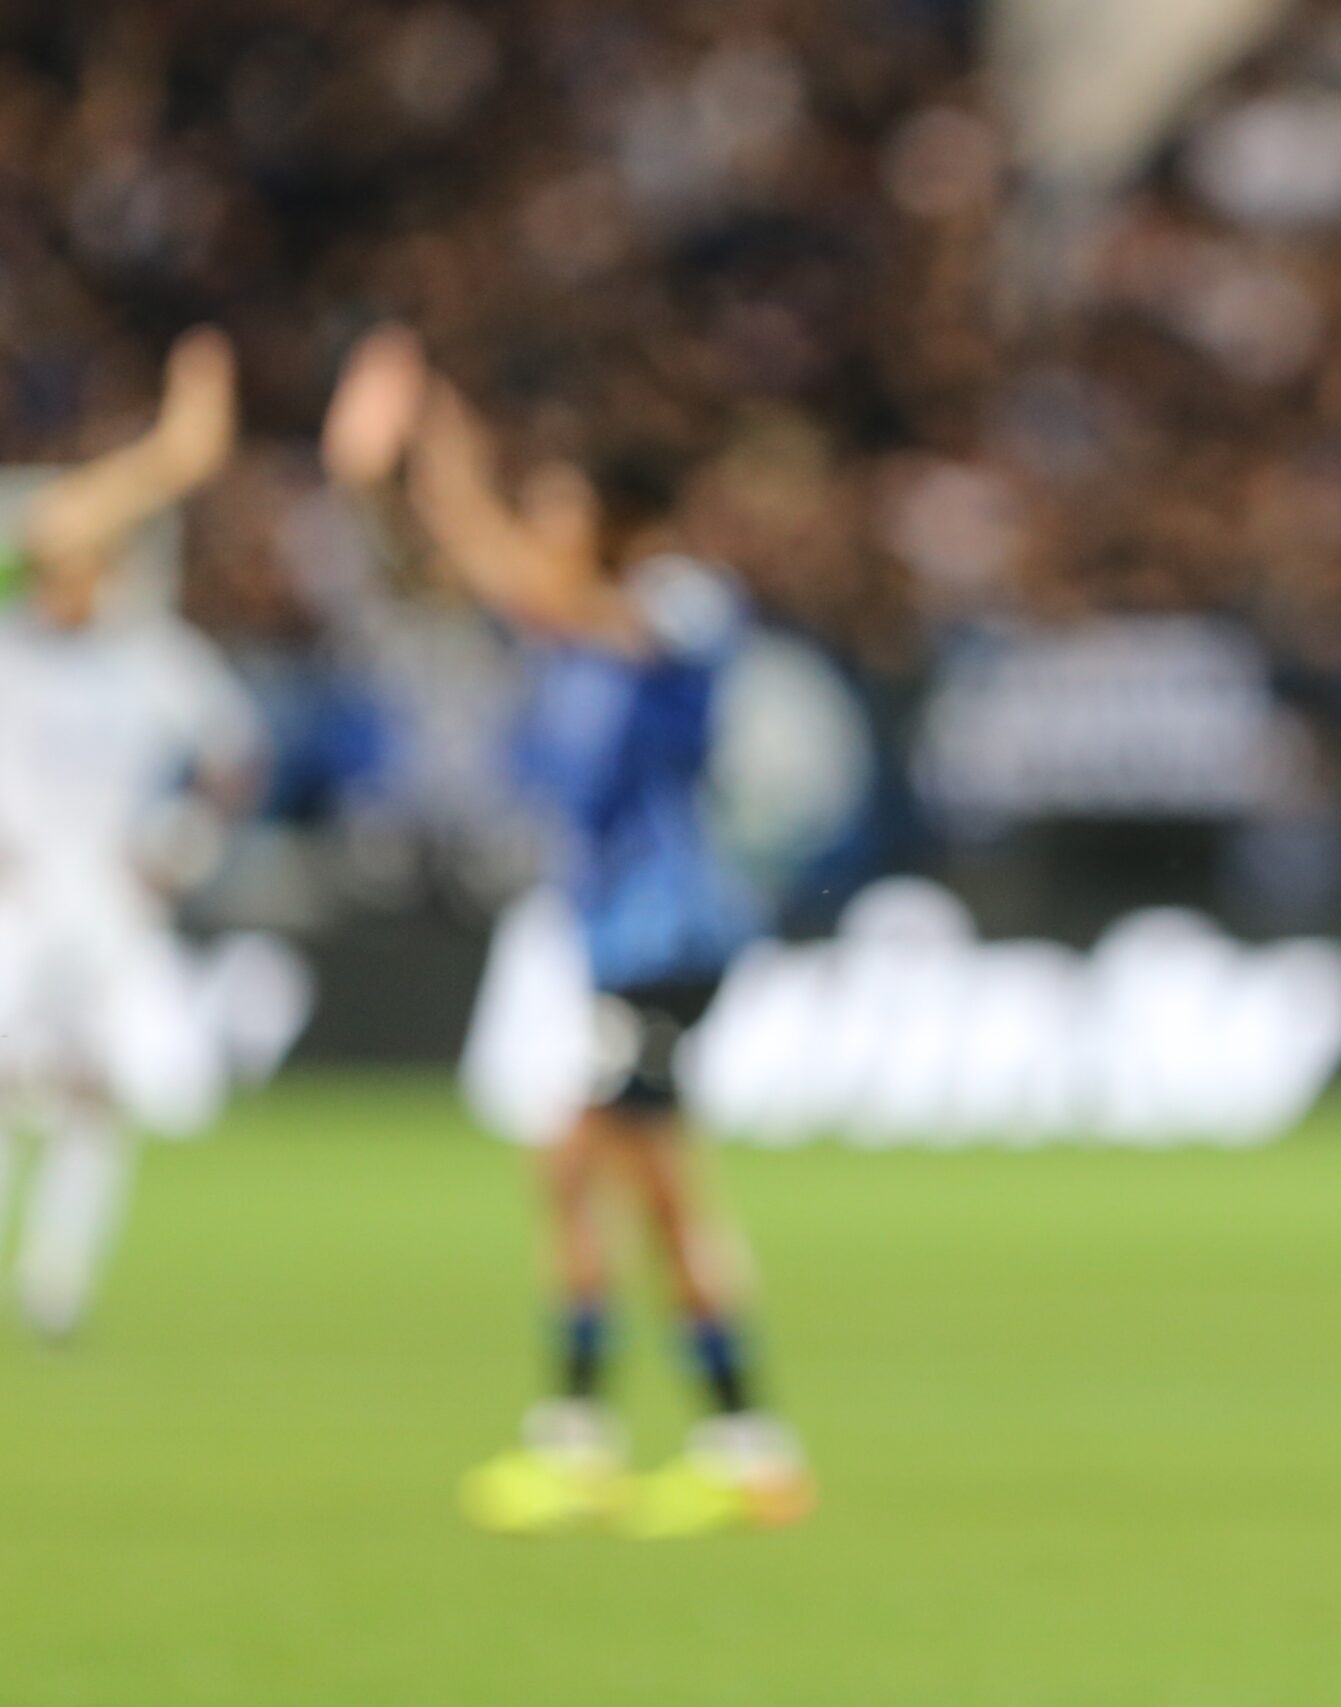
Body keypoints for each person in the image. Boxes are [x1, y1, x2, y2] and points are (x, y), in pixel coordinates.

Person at [322, 328, 813, 1537]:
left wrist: (445, 466)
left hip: (671, 936)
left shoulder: (680, 604)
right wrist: (399, 460)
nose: (541, 529)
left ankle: (616, 1444)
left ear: (617, 520)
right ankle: (724, 1450)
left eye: (560, 509)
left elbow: (525, 579)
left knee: (597, 1170)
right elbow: (454, 569)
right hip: (608, 940)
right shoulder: (569, 627)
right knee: (637, 1187)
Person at [0, 327, 262, 1339]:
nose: (79, 570)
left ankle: (57, 1280)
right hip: (16, 899)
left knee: (91, 1094)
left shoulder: (150, 656)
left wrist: (182, 844)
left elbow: (235, 753)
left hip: (106, 902)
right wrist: (177, 446)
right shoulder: (10, 646)